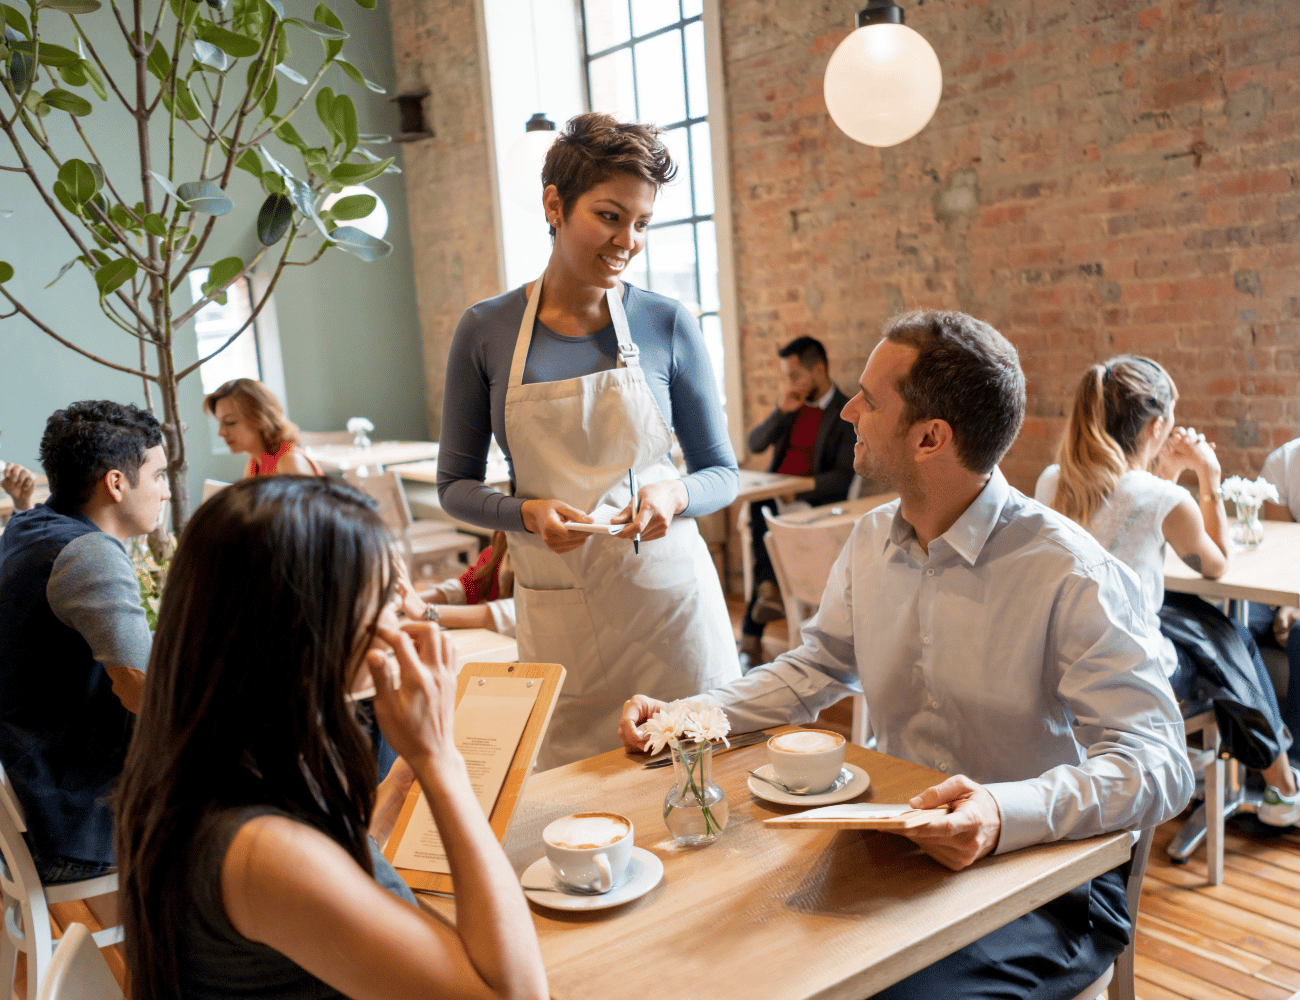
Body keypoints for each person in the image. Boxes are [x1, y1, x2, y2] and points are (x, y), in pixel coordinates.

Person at [619, 311, 1194, 998]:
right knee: (714, 952)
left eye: (869, 399)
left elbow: (1160, 763)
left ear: (930, 437)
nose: (850, 412)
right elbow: (814, 668)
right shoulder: (868, 543)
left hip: (1041, 880)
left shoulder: (1069, 572)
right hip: (891, 851)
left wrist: (1004, 812)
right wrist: (692, 714)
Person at [115, 477, 548, 1000]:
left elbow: (335, 860)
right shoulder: (261, 853)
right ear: (309, 624)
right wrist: (440, 760)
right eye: (388, 597)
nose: (407, 618)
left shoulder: (206, 760)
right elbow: (518, 994)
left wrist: (399, 782)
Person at [437, 112, 740, 769]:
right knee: (577, 816)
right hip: (561, 623)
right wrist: (524, 513)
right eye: (609, 216)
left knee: (697, 805)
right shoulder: (485, 331)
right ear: (555, 204)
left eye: (641, 223)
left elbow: (722, 472)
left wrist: (676, 494)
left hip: (672, 619)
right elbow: (453, 487)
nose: (628, 240)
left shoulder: (666, 323)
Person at [1035, 356, 1300, 826]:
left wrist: (1168, 474)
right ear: (1157, 425)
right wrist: (1208, 475)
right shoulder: (1162, 497)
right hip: (1128, 671)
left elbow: (1135, 527)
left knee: (1206, 626)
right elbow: (1216, 563)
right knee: (1225, 638)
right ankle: (1281, 781)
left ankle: (1271, 778)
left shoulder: (1053, 480)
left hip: (1059, 661)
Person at [0, 401, 168, 883]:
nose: (166, 492)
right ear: (115, 484)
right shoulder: (89, 552)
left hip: (35, 789)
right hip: (75, 820)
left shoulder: (29, 524)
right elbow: (142, 690)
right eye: (157, 476)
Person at [741, 336, 858, 664]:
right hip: (775, 498)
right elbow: (755, 444)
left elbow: (843, 477)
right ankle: (767, 589)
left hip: (811, 504)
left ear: (818, 370)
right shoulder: (791, 407)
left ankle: (753, 631)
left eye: (795, 376)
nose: (790, 384)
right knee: (758, 504)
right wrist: (780, 411)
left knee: (764, 520)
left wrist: (800, 489)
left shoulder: (844, 412)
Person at [203, 377, 323, 477]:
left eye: (230, 422)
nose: (221, 432)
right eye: (220, 423)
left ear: (259, 419)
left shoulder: (289, 462)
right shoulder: (253, 466)